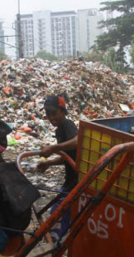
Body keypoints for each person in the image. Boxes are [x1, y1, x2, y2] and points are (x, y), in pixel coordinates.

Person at [36, 95, 78, 248]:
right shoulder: (60, 130)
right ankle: (55, 256)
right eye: (48, 114)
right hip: (70, 183)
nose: (51, 117)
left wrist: (53, 148)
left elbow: (77, 142)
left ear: (62, 111)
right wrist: (49, 163)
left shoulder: (67, 125)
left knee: (56, 219)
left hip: (76, 184)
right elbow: (68, 157)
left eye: (53, 113)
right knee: (58, 219)